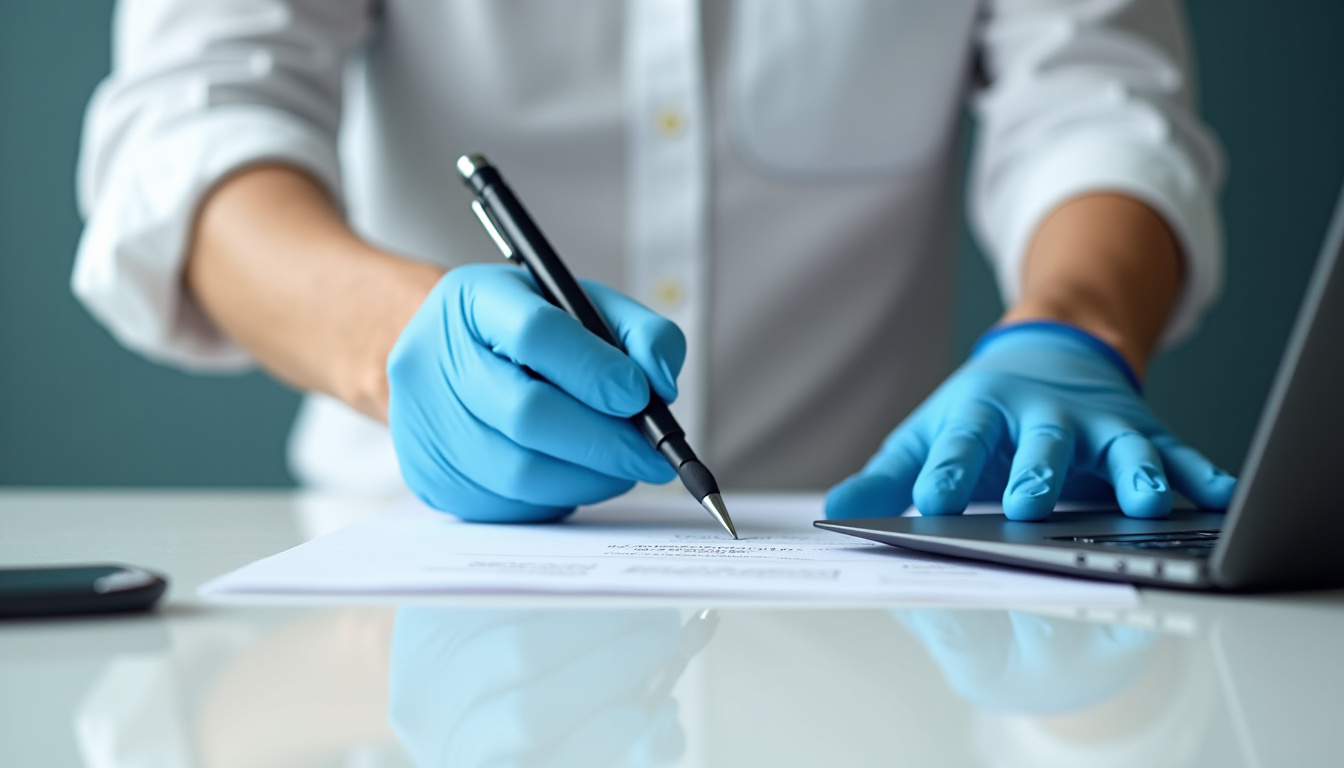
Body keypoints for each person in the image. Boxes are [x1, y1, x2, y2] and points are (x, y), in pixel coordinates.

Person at [73, 0, 1237, 523]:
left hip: (871, 565)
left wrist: (1069, 324)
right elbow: (189, 135)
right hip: (397, 580)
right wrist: (399, 344)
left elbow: (1099, 106)